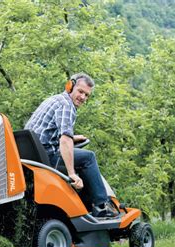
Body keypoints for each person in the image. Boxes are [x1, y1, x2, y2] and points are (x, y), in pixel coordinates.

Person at [25, 72, 118, 218]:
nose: (83, 97)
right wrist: (72, 175)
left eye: (87, 95)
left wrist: (73, 137)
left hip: (33, 155)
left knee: (78, 153)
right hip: (47, 158)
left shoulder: (54, 100)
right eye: (80, 92)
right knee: (88, 158)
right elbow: (64, 141)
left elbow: (45, 132)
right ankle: (102, 206)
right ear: (70, 86)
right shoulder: (66, 106)